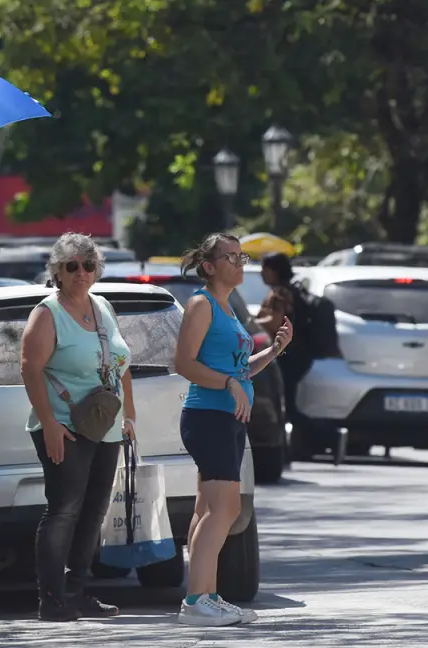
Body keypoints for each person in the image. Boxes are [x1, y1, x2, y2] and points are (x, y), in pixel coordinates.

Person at [174, 233, 292, 627]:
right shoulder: (201, 304)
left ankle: (205, 595)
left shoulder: (226, 308)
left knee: (209, 509)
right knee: (225, 507)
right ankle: (196, 601)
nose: (241, 262)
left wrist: (273, 351)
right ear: (209, 266)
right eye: (232, 257)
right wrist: (227, 384)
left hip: (226, 418)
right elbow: (185, 364)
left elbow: (240, 369)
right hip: (208, 416)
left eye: (242, 256)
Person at [20, 233, 136, 622]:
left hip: (105, 425)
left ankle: (77, 590)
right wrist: (49, 424)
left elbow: (121, 365)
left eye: (88, 265)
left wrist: (129, 417)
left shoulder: (102, 306)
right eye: (71, 266)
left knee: (94, 509)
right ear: (57, 271)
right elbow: (29, 368)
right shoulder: (48, 313)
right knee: (64, 509)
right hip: (65, 427)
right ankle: (50, 599)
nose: (81, 273)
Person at [256, 252, 310, 427]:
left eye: (264, 269)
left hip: (287, 356)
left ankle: (327, 437)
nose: (261, 273)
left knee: (286, 407)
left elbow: (274, 322)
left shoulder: (280, 292)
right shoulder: (281, 290)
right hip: (291, 354)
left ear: (275, 271)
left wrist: (248, 323)